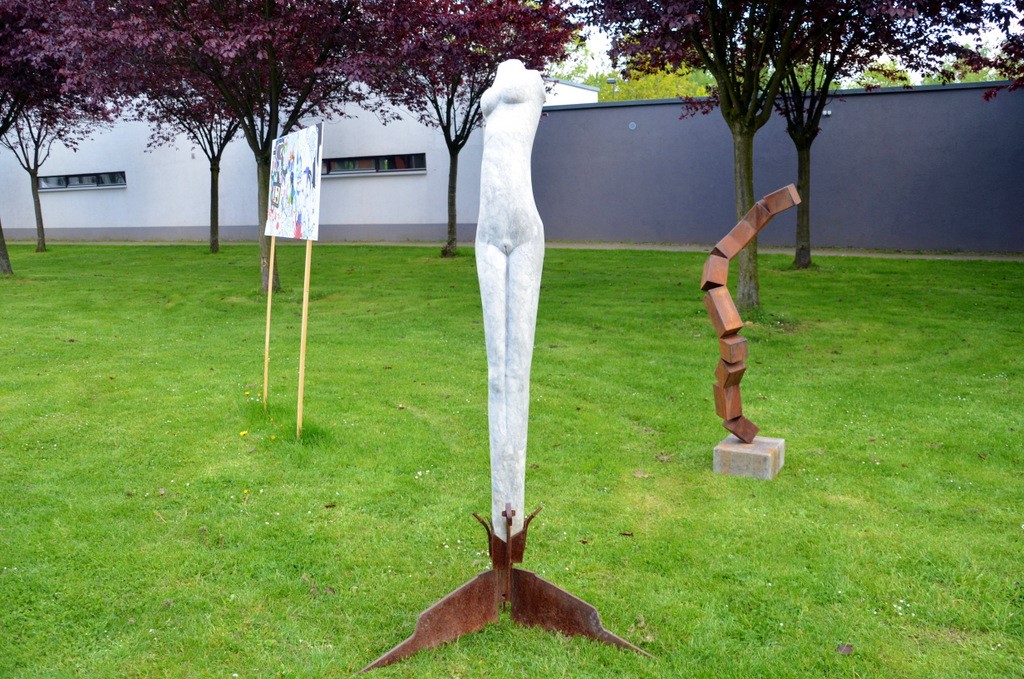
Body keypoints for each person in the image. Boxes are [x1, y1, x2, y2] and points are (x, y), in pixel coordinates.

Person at [475, 59, 547, 542]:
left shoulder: (530, 81)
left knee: (517, 367)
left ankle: (514, 523)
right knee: (496, 370)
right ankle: (500, 523)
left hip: (523, 232)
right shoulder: (492, 90)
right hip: (486, 232)